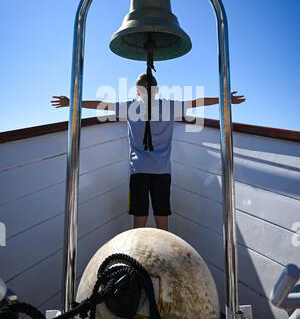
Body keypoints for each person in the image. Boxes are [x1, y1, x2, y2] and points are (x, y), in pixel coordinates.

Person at [51, 75, 245, 231]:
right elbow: (196, 102)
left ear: (137, 91)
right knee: (162, 218)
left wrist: (73, 102)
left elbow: (103, 104)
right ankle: (164, 257)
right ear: (157, 90)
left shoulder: (130, 107)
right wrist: (225, 98)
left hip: (138, 171)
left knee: (139, 219)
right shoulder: (169, 106)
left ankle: (137, 260)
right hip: (162, 171)